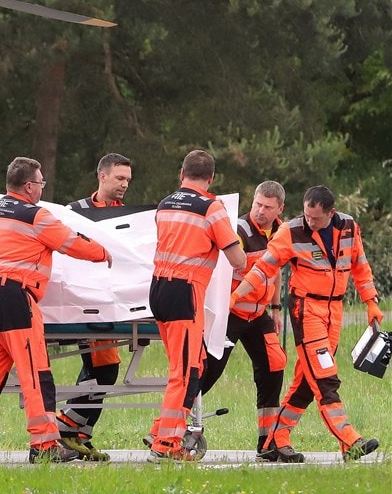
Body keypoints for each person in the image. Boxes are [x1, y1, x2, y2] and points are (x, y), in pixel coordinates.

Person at [0, 157, 113, 464]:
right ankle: (44, 445)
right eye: (41, 183)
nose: (42, 188)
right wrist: (103, 252)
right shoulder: (36, 216)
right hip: (16, 302)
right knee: (36, 375)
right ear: (28, 186)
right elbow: (71, 243)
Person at [232, 185, 383, 463]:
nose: (309, 223)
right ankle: (349, 439)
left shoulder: (349, 227)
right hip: (306, 310)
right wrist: (237, 295)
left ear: (331, 213)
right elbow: (264, 268)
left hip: (334, 310)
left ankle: (275, 437)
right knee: (325, 376)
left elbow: (360, 265)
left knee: (306, 381)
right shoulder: (291, 231)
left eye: (316, 218)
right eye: (306, 216)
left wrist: (371, 301)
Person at [146, 149, 246, 462]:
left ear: (182, 173)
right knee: (186, 372)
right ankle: (166, 446)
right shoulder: (211, 208)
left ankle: (162, 428)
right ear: (211, 178)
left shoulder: (165, 204)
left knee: (193, 362)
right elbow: (238, 260)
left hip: (158, 291)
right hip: (185, 294)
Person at [198, 180, 288, 455]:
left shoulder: (282, 233)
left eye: (267, 207)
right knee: (208, 370)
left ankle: (268, 442)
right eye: (257, 204)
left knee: (274, 366)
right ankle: (168, 429)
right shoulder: (239, 230)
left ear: (279, 209)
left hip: (259, 314)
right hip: (230, 312)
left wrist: (275, 309)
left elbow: (275, 271)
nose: (260, 210)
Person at [55, 153, 132, 461]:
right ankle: (67, 426)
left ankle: (76, 433)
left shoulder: (128, 215)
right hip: (84, 303)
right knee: (103, 368)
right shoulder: (76, 212)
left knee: (102, 368)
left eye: (127, 179)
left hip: (113, 304)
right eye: (119, 178)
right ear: (102, 177)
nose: (124, 184)